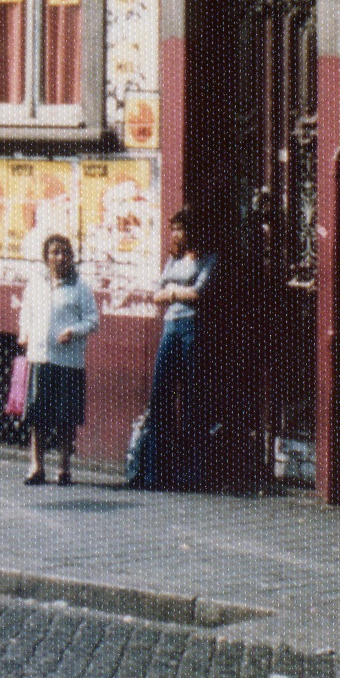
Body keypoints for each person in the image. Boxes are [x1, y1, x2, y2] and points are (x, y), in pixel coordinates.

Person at [141, 205, 216, 491]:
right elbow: (156, 292)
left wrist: (172, 292)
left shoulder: (209, 258)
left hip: (192, 330)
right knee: (160, 396)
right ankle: (156, 470)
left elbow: (199, 291)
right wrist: (175, 292)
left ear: (193, 231)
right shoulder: (172, 260)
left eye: (180, 228)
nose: (176, 234)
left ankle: (192, 472)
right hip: (170, 329)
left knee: (192, 400)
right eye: (174, 229)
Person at [16, 233, 99, 485]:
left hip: (68, 361)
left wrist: (73, 331)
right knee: (38, 415)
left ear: (71, 257)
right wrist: (24, 333)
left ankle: (64, 468)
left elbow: (92, 321)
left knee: (65, 417)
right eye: (54, 252)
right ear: (46, 257)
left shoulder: (80, 287)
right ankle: (36, 466)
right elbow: (26, 314)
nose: (60, 257)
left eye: (65, 253)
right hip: (40, 357)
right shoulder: (35, 284)